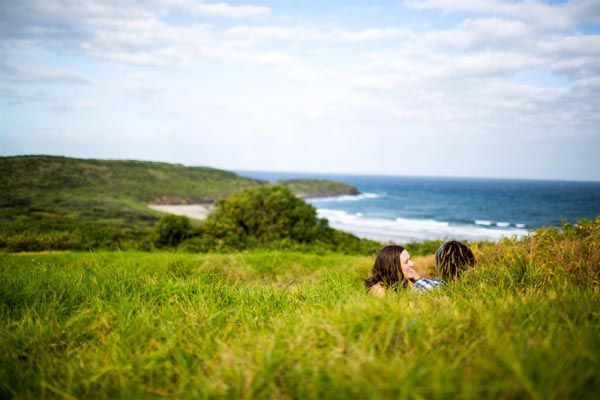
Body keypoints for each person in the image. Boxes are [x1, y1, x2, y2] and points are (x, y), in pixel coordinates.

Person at [364, 245, 439, 297]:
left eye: (410, 259)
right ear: (393, 267)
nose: (412, 264)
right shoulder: (380, 291)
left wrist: (418, 279)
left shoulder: (397, 285)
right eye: (406, 262)